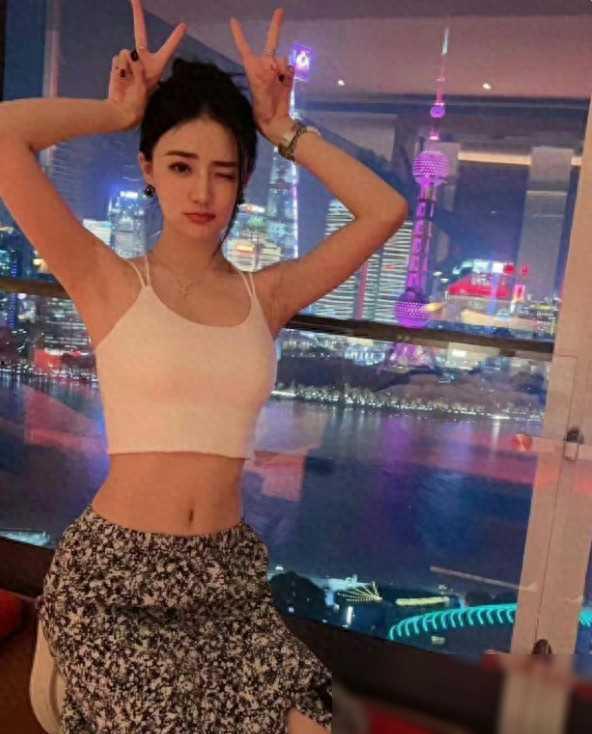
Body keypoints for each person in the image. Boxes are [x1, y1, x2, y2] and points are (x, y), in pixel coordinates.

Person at [0, 2, 408, 731]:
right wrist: (116, 112)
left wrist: (283, 128)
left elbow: (384, 211)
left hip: (226, 579)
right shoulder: (106, 280)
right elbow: (5, 135)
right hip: (116, 578)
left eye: (224, 173)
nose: (202, 192)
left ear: (243, 183)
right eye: (181, 166)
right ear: (148, 170)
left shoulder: (266, 296)